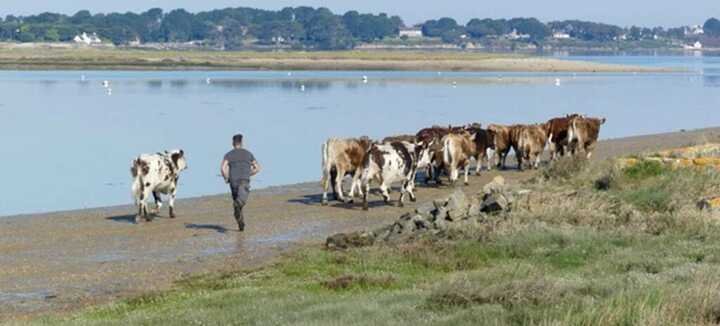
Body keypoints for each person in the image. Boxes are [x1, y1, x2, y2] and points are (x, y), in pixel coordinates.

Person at [221, 134, 261, 231]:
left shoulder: (228, 155)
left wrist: (226, 177)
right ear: (242, 143)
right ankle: (238, 211)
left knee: (237, 204)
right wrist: (249, 173)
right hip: (244, 181)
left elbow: (223, 168)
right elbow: (258, 168)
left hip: (233, 182)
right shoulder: (248, 154)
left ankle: (241, 224)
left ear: (232, 143)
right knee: (240, 202)